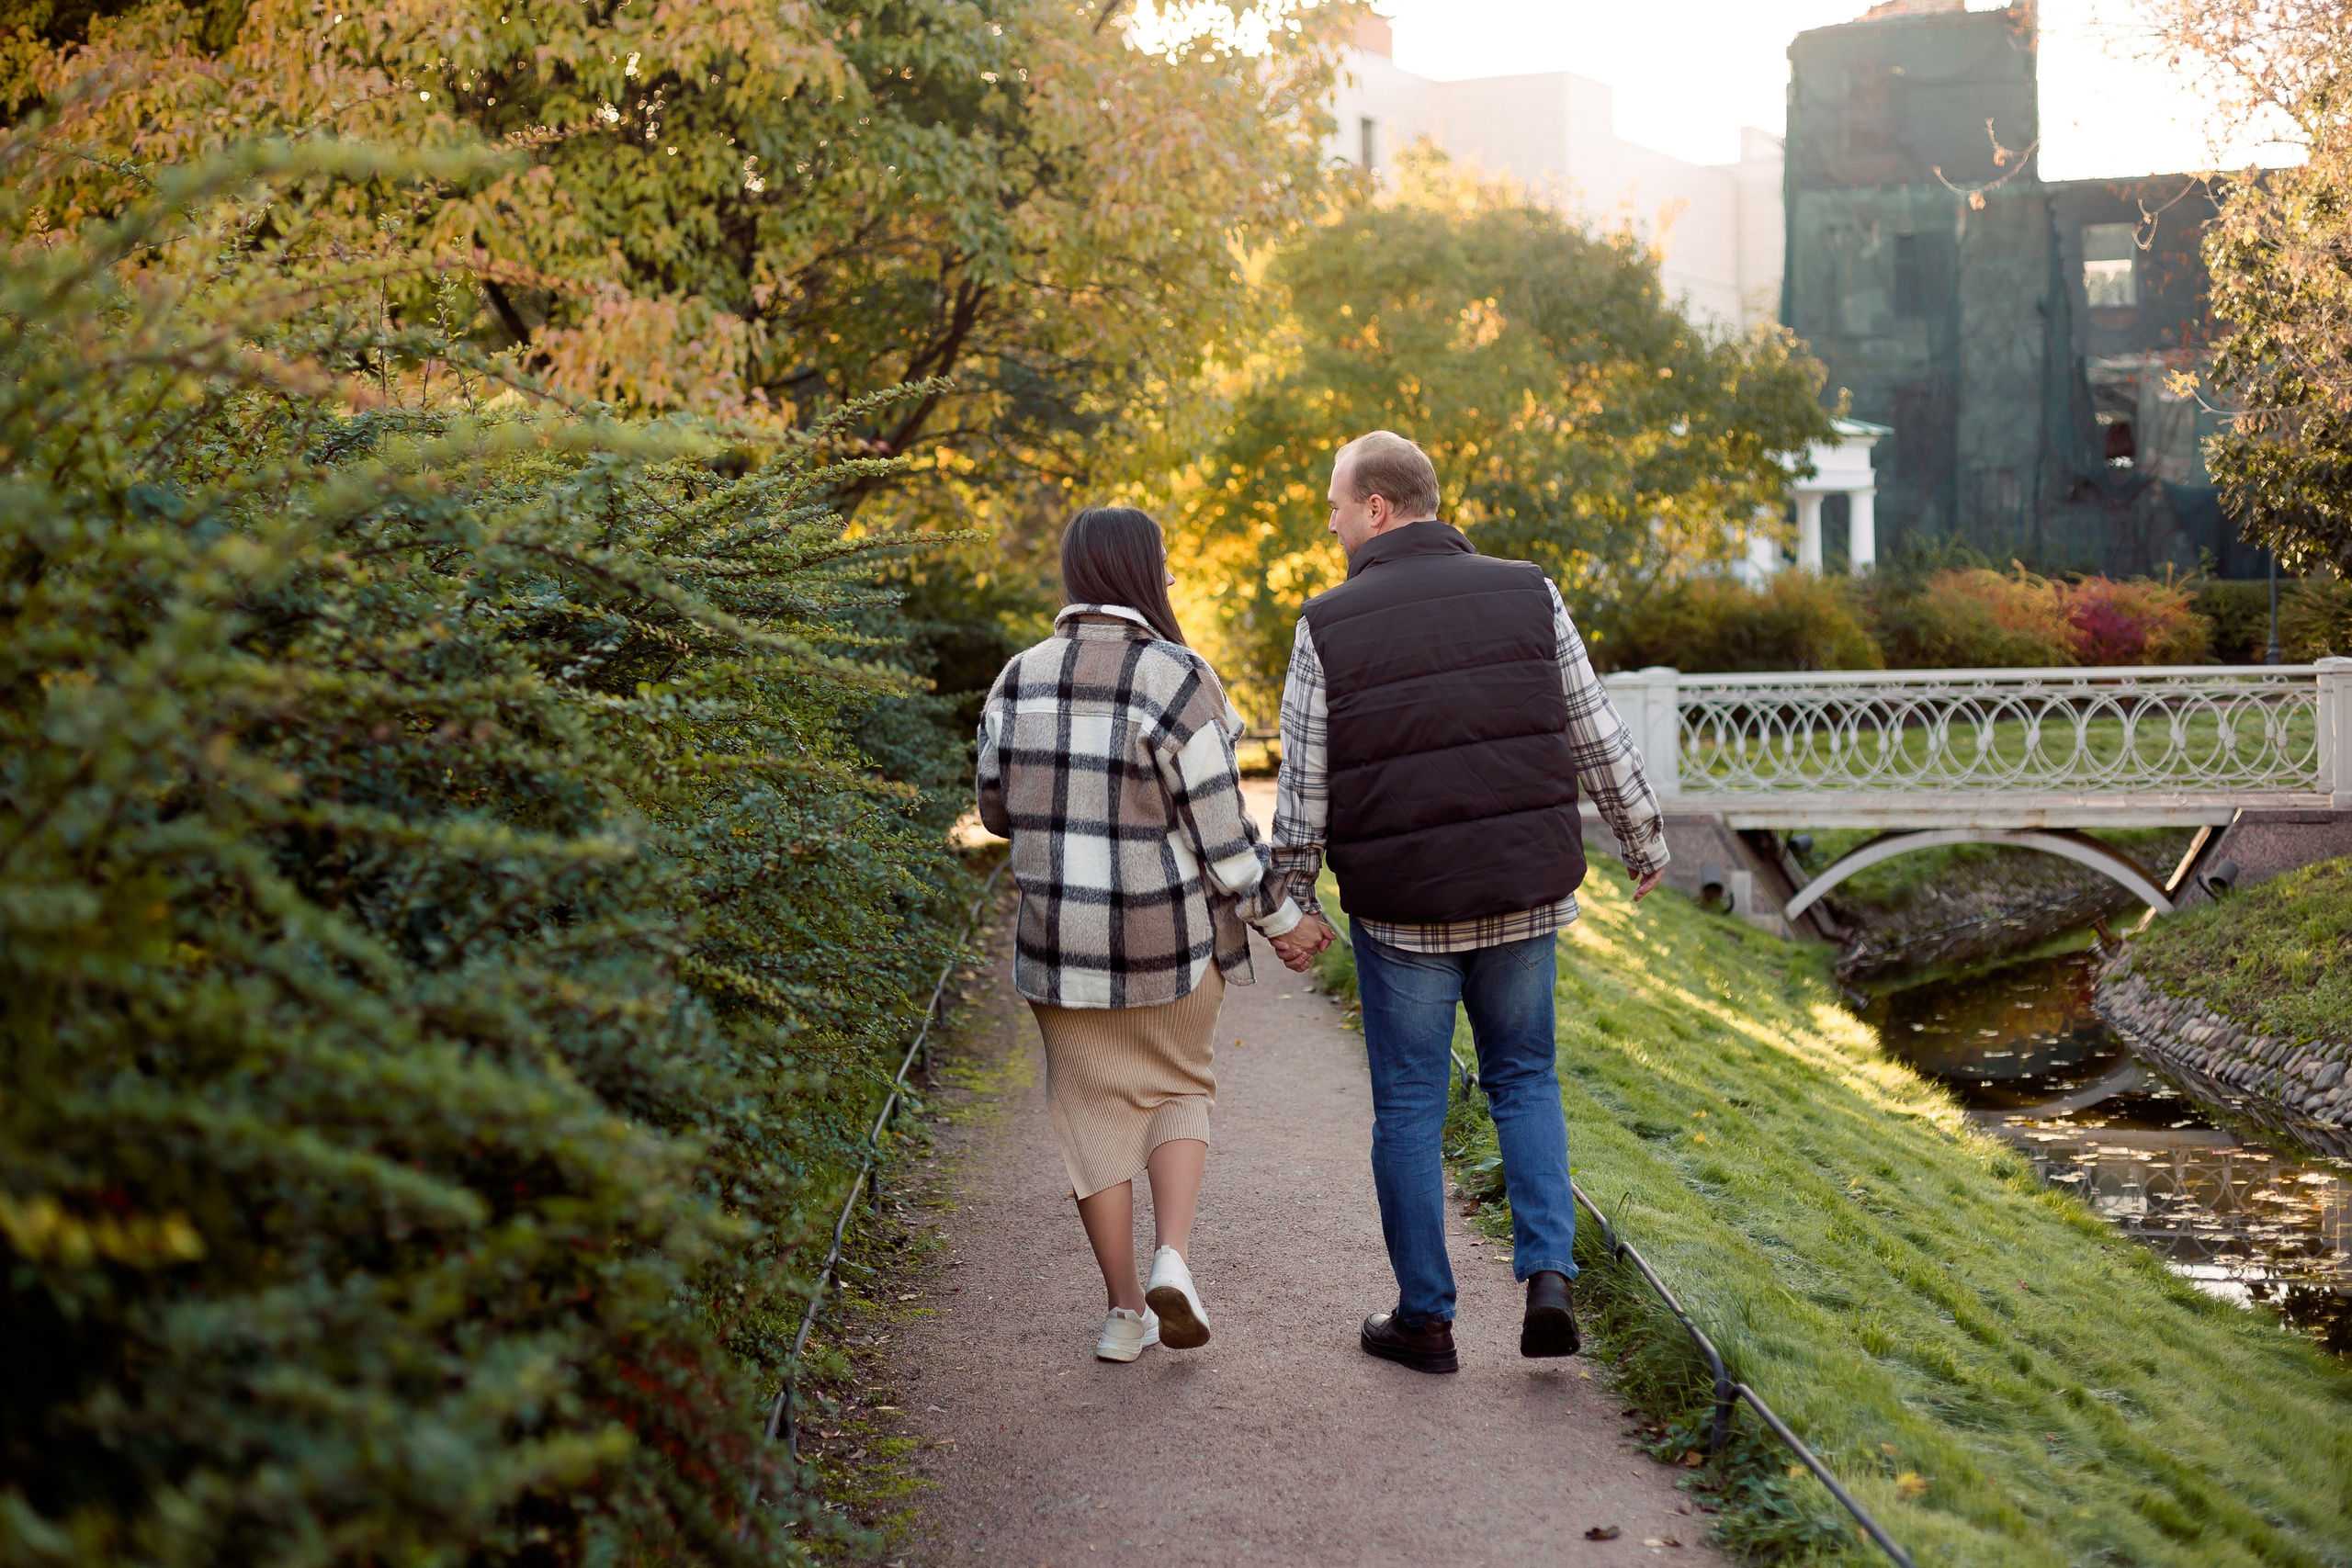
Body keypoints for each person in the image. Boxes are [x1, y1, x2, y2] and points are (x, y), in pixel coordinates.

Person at [1262, 430, 1670, 1374]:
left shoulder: (1326, 623)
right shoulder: (1528, 588)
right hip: (1521, 891)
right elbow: (1594, 729)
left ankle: (1427, 1319)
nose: (1327, 523)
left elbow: (1302, 791)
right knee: (1524, 1077)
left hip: (1403, 913)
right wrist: (1641, 837)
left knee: (1407, 1107)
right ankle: (1548, 1279)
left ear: (1375, 509)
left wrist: (1288, 902)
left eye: (1333, 505)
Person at [975, 506, 1313, 1364]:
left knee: (1090, 1120)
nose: (1167, 580)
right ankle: (1174, 1259)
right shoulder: (1178, 678)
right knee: (1179, 1089)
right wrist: (1284, 922)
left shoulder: (1018, 678)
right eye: (1161, 565)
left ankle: (1125, 1311)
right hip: (1169, 951)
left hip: (1059, 953)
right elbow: (1225, 838)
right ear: (1138, 572)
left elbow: (992, 808)